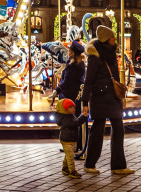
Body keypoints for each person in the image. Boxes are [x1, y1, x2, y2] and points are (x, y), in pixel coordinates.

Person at [81, 25, 134, 176]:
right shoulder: (95, 57)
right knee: (97, 131)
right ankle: (90, 164)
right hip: (99, 97)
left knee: (118, 129)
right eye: (113, 39)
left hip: (112, 98)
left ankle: (118, 165)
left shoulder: (110, 54)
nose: (115, 41)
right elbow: (88, 81)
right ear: (106, 41)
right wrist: (85, 103)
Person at [56, 40, 87, 151]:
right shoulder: (78, 63)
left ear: (72, 52)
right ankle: (74, 145)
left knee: (70, 121)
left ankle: (72, 146)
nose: (67, 51)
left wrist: (58, 90)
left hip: (71, 95)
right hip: (75, 94)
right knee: (74, 121)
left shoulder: (73, 65)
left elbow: (67, 81)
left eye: (69, 50)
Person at [56, 98, 87, 178]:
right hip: (67, 140)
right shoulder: (65, 118)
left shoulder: (70, 116)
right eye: (70, 107)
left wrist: (81, 117)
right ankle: (72, 171)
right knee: (70, 157)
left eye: (73, 107)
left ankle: (65, 168)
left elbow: (76, 121)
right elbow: (75, 123)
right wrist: (82, 117)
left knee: (68, 155)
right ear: (65, 109)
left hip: (71, 138)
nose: (73, 109)